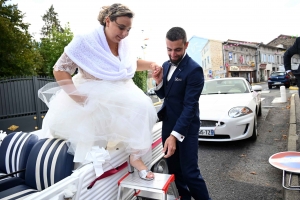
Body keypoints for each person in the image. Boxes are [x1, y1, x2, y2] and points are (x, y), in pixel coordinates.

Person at [38, 3, 162, 180]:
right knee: (90, 153)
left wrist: (151, 64)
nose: (125, 33)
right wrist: (79, 98)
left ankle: (135, 156)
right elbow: (60, 69)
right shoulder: (84, 41)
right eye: (121, 27)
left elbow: (129, 64)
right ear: (107, 20)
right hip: (91, 97)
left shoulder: (124, 44)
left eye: (128, 29)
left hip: (120, 94)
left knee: (143, 106)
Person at [152, 27, 211, 200]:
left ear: (186, 45)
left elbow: (189, 107)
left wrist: (174, 136)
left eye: (177, 49)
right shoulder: (165, 65)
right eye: (169, 49)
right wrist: (158, 82)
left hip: (186, 129)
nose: (172, 54)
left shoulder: (194, 70)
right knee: (175, 171)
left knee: (190, 173)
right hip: (168, 125)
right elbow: (166, 96)